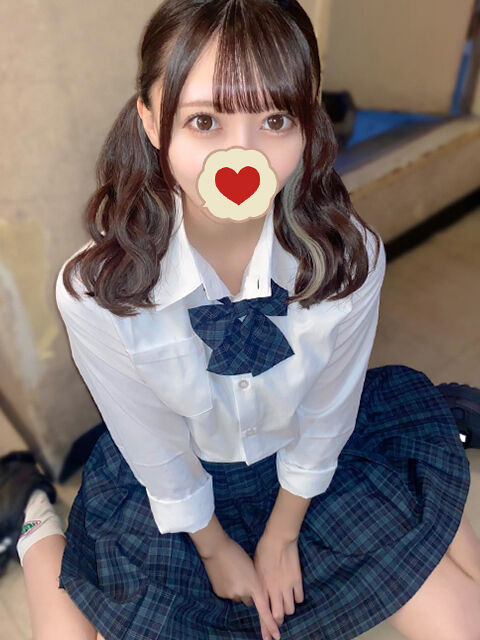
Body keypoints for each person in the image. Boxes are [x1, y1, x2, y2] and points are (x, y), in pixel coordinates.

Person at [9, 1, 480, 639]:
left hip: (307, 457)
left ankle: (429, 422)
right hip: (184, 477)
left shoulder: (351, 256)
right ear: (150, 121)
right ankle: (32, 512)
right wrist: (213, 547)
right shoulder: (94, 293)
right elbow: (155, 446)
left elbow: (328, 411)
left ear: (308, 123)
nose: (243, 157)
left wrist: (283, 533)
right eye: (205, 120)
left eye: (275, 119)